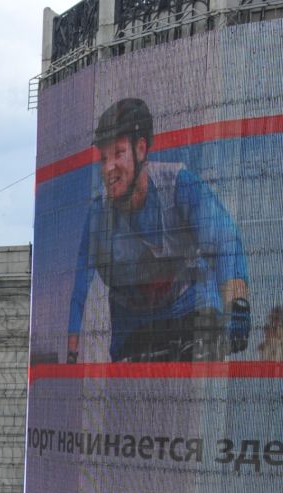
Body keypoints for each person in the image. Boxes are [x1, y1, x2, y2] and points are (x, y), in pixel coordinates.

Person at [63, 97, 251, 364]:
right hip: (134, 323)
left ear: (141, 150)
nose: (108, 168)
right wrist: (72, 350)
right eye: (103, 158)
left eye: (118, 154)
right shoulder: (98, 216)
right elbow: (80, 286)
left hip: (187, 308)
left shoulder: (180, 185)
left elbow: (226, 243)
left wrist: (238, 313)